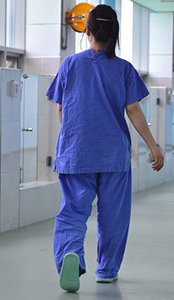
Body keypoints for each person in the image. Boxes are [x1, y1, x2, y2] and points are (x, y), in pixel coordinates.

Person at [46, 4, 164, 293]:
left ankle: (71, 254)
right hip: (113, 154)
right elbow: (134, 110)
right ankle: (107, 269)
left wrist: (75, 136)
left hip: (76, 151)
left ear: (86, 31)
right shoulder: (123, 69)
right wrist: (153, 146)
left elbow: (61, 108)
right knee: (113, 215)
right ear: (114, 34)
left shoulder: (69, 65)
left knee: (73, 211)